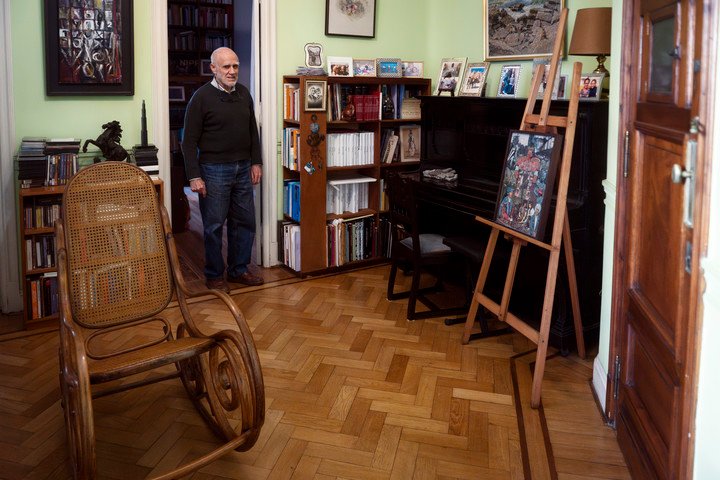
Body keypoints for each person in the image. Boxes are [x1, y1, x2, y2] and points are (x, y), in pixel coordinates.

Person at [181, 46, 264, 293]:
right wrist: (194, 176)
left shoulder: (244, 93)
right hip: (214, 169)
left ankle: (239, 269)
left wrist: (256, 162)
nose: (231, 71)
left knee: (245, 221)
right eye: (226, 66)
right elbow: (188, 142)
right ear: (213, 68)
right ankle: (214, 275)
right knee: (214, 225)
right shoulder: (201, 97)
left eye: (235, 66)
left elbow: (253, 132)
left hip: (242, 168)